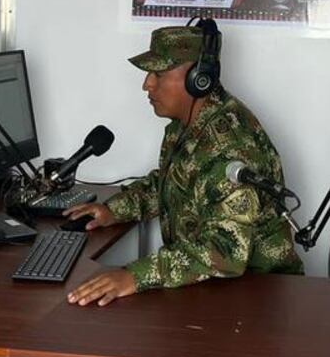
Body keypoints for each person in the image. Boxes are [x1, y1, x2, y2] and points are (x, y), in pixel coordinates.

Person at [64, 22, 303, 307]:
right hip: (213, 286)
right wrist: (113, 210)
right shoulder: (187, 123)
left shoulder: (230, 148)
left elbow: (225, 252)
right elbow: (170, 182)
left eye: (159, 74)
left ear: (199, 79)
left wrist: (135, 276)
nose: (147, 84)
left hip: (259, 296)